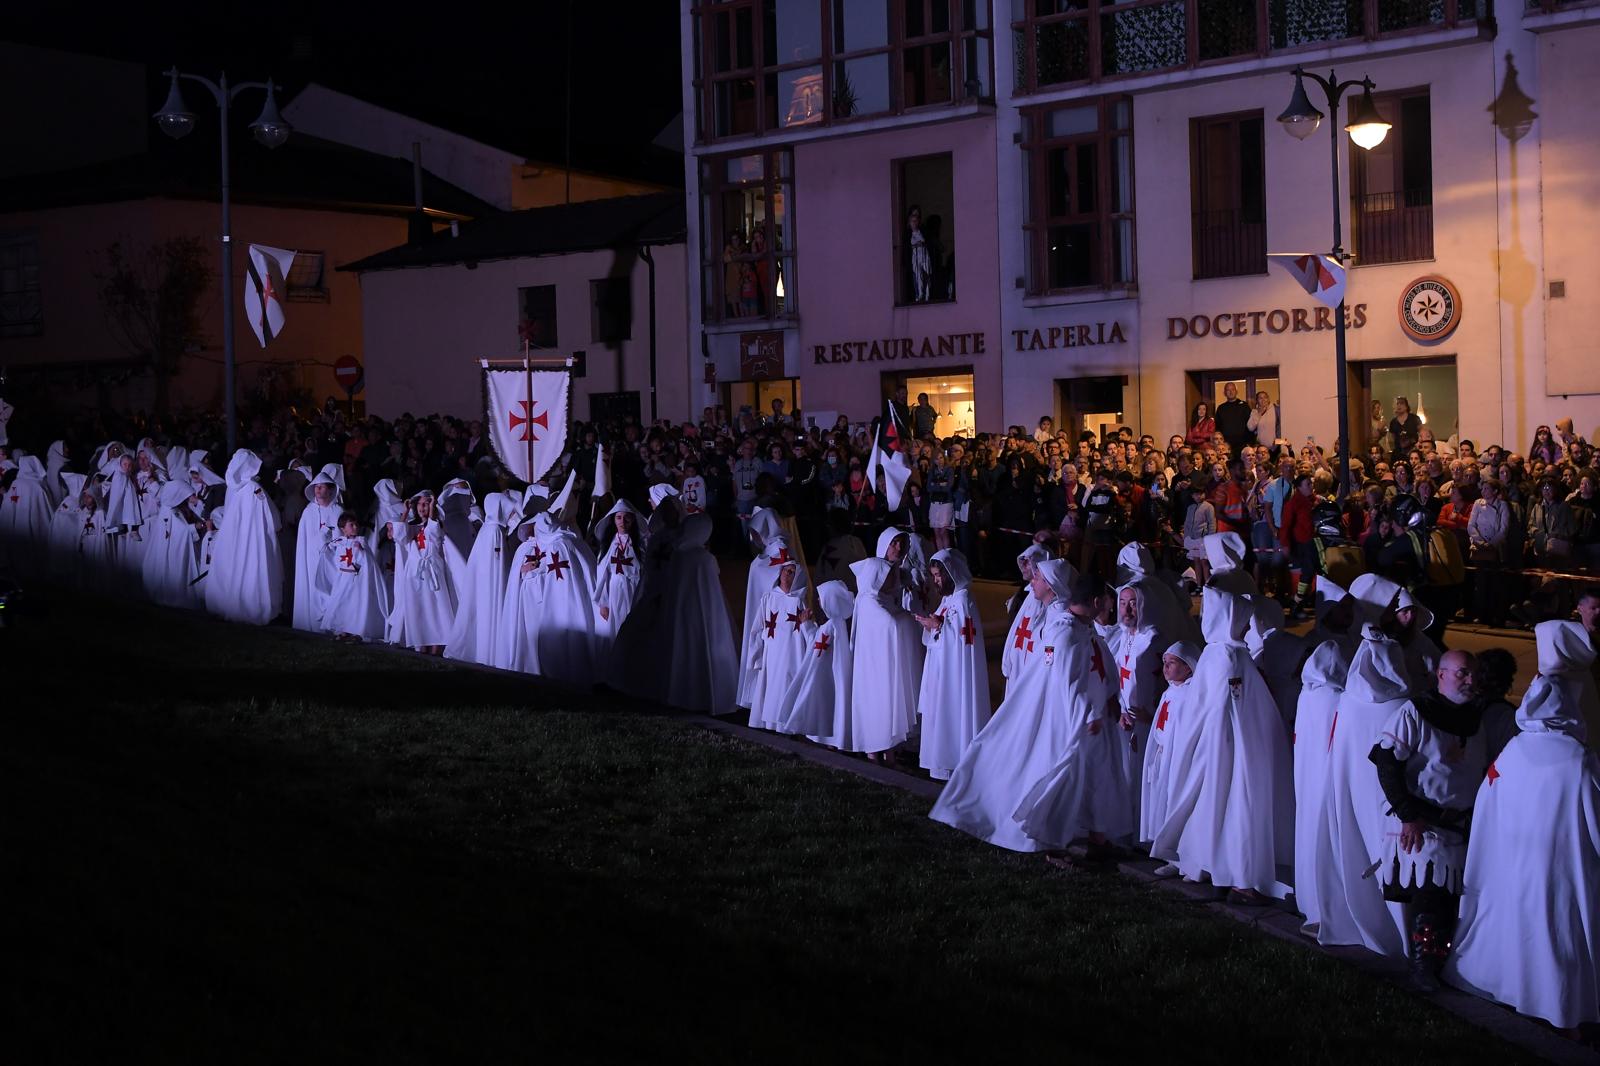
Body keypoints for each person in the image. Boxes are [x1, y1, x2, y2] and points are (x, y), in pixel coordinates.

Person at [1444, 620, 1600, 1032]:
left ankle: (1514, 989)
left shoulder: (1513, 750)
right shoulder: (1578, 760)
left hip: (1513, 861)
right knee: (1555, 935)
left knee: (1520, 930)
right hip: (1561, 868)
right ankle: (1558, 1004)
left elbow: (1489, 802)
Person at [929, 562, 1107, 853]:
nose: (1032, 580)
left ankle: (1064, 834)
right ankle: (1034, 832)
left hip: (1057, 710)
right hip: (1053, 712)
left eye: (1037, 576)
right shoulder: (1065, 630)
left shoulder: (1071, 625)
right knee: (1035, 765)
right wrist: (1086, 712)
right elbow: (1065, 678)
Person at [1151, 588, 1293, 902]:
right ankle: (1236, 874)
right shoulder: (1228, 656)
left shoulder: (1218, 653)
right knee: (1234, 807)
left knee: (1214, 806)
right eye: (1241, 621)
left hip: (1219, 747)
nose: (1245, 627)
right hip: (1231, 748)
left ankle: (1210, 865)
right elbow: (1228, 707)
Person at [1368, 648, 1491, 990]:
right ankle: (1423, 967)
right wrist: (1408, 816)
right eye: (1462, 673)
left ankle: (1441, 963)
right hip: (1421, 820)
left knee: (1452, 897)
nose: (1470, 680)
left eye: (1473, 674)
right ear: (1441, 674)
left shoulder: (1475, 719)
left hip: (1459, 824)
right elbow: (1386, 764)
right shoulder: (1414, 711)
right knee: (1431, 891)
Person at [1312, 577, 1411, 957]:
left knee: (1353, 828)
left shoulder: (1356, 687)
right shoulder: (1383, 661)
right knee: (1378, 833)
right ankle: (1394, 927)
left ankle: (1359, 913)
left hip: (1355, 767)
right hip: (1378, 778)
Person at [914, 549, 991, 780]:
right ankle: (940, 766)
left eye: (939, 575)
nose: (936, 580)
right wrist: (934, 626)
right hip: (941, 672)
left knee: (953, 714)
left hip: (955, 675)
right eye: (934, 575)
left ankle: (953, 765)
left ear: (950, 572)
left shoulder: (963, 600)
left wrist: (938, 627)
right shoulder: (948, 600)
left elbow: (962, 641)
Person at [1290, 640, 1348, 934]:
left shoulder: (1306, 696)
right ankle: (1328, 907)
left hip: (1305, 776)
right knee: (1328, 841)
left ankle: (1309, 900)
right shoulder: (1338, 699)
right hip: (1326, 778)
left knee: (1308, 835)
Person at [846, 544, 924, 761]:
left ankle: (889, 752)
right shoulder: (869, 602)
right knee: (878, 707)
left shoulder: (880, 600)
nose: (893, 579)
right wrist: (908, 619)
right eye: (888, 576)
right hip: (876, 671)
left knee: (886, 708)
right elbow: (890, 625)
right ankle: (874, 752)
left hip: (884, 667)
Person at [204, 450, 284, 626]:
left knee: (236, 565)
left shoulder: (234, 488)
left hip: (235, 537)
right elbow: (270, 514)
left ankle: (230, 603)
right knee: (253, 566)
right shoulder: (254, 488)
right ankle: (252, 606)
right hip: (255, 538)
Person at [775, 579, 855, 743]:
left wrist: (806, 626)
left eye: (822, 597)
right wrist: (808, 625)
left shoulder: (831, 626)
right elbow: (818, 641)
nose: (818, 601)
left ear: (830, 601)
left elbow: (816, 646)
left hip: (825, 675)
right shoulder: (837, 624)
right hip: (833, 675)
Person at [445, 490, 519, 665]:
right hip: (491, 587)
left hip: (486, 585)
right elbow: (497, 564)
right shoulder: (494, 532)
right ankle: (491, 653)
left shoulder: (488, 529)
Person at [1141, 641, 1200, 860]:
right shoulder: (1170, 692)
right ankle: (1165, 850)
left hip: (1177, 756)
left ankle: (1179, 855)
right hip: (1162, 755)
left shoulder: (1190, 693)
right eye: (1164, 662)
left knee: (1174, 800)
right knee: (1161, 799)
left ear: (1188, 667)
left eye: (1172, 663)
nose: (1165, 668)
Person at [388, 488, 461, 656]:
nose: (422, 507)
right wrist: (405, 512)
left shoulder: (436, 526)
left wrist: (433, 507)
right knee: (418, 609)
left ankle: (437, 643)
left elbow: (434, 535)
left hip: (432, 572)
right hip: (414, 574)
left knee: (436, 609)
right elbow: (400, 537)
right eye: (420, 504)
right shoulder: (412, 528)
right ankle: (420, 643)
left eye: (426, 504)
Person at [745, 556, 811, 731]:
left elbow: (808, 628)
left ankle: (787, 727)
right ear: (780, 572)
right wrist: (756, 657)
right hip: (772, 653)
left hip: (793, 653)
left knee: (787, 686)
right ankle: (770, 724)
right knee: (771, 686)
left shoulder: (799, 601)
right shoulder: (768, 598)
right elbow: (757, 628)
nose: (787, 575)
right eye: (785, 570)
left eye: (792, 572)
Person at [319, 511, 390, 642]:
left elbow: (369, 562)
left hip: (357, 580)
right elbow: (328, 553)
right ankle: (343, 630)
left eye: (356, 525)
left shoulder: (361, 541)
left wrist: (362, 552)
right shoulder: (338, 542)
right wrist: (325, 536)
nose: (355, 527)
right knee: (341, 603)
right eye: (351, 525)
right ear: (343, 529)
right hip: (342, 579)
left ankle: (356, 632)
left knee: (355, 606)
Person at [291, 465, 344, 632]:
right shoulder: (309, 512)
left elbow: (341, 535)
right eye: (316, 487)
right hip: (312, 558)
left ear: (329, 490)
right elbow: (305, 539)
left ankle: (331, 623)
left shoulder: (338, 511)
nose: (318, 490)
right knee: (312, 587)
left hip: (332, 560)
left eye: (321, 487)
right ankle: (313, 625)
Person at [140, 479, 204, 610]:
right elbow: (179, 532)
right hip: (172, 550)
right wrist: (195, 527)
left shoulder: (173, 509)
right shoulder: (169, 511)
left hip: (174, 549)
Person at [1215, 383, 1252, 455]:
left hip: (1242, 444)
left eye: (1233, 389)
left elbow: (1250, 425)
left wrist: (1249, 442)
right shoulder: (1221, 408)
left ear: (1236, 391)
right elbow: (1217, 426)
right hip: (1226, 445)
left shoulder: (1244, 406)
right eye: (1228, 390)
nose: (1231, 392)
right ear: (1225, 393)